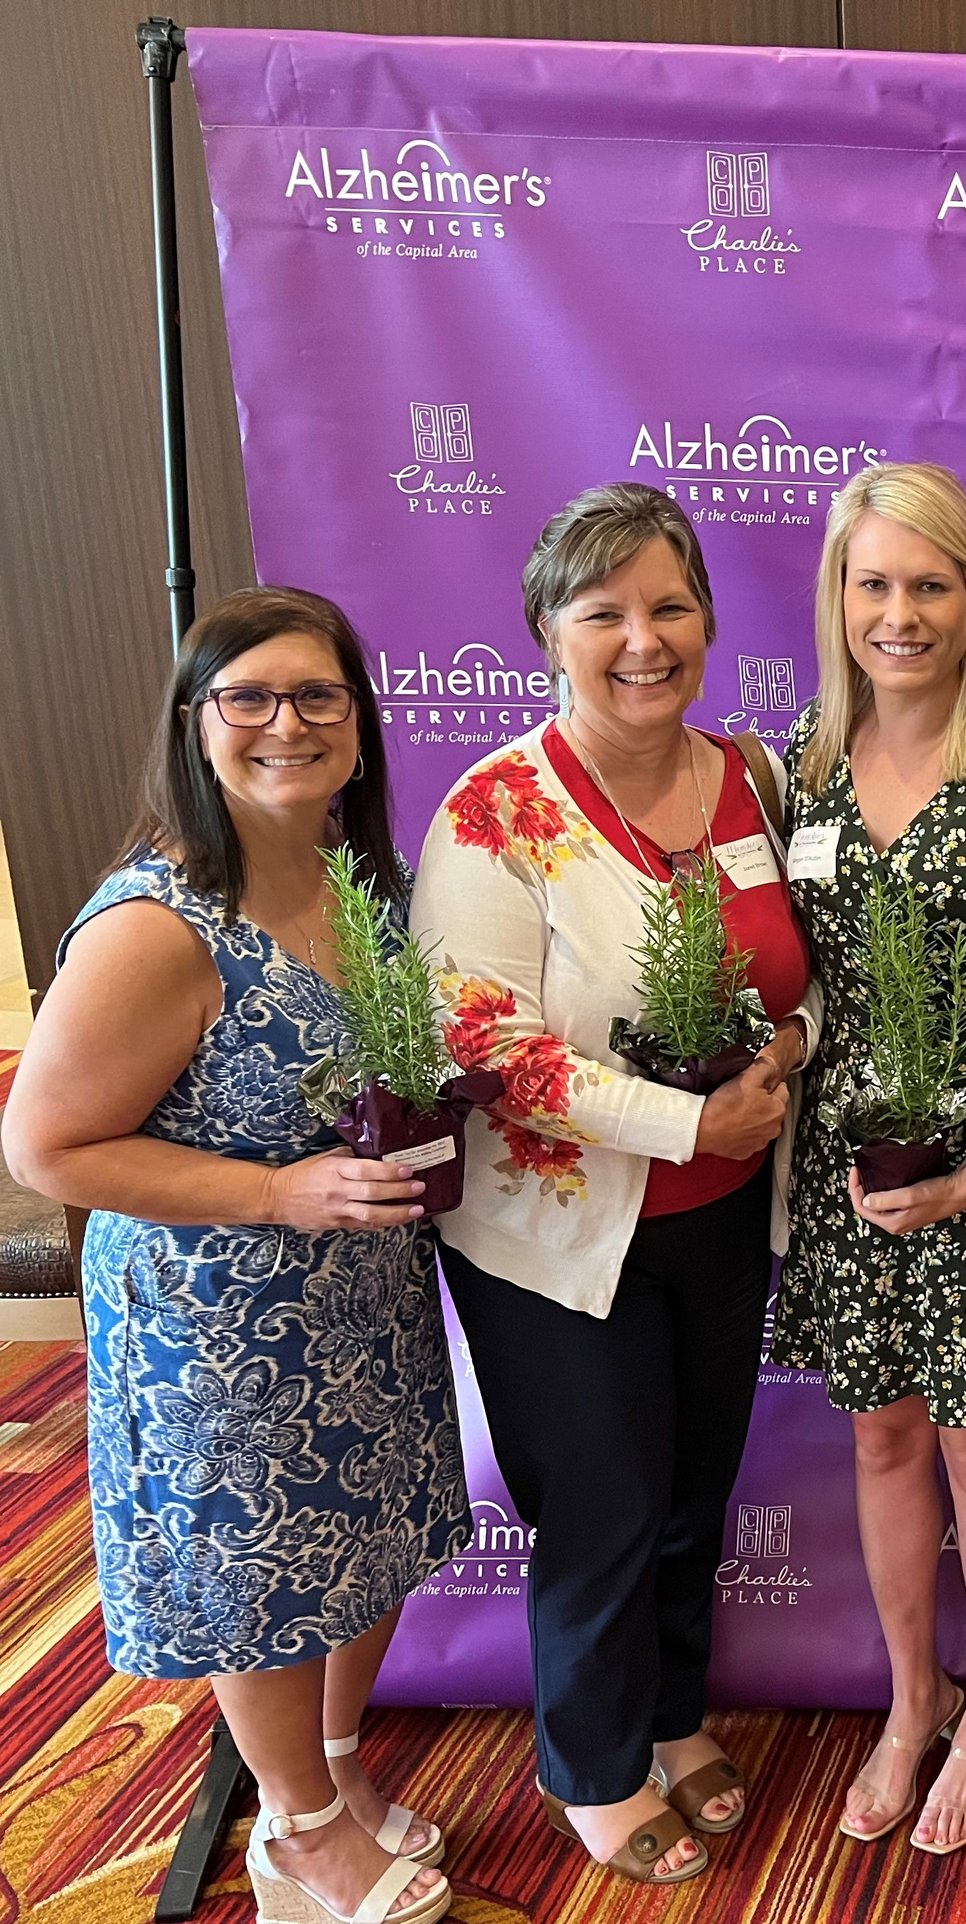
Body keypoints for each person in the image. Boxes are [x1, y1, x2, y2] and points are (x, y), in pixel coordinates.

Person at [2, 588, 467, 1924]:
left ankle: (327, 1765)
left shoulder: (357, 887)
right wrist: (272, 1191)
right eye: (248, 698)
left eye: (318, 696)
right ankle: (297, 1839)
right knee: (261, 1572)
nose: (286, 723)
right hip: (220, 1328)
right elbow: (50, 1148)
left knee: (364, 1546)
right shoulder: (158, 922)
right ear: (193, 726)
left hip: (360, 1299)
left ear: (363, 729)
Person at [410, 483, 817, 1886]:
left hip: (718, 1226)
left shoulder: (749, 779)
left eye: (670, 606)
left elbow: (806, 980)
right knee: (602, 1510)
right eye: (606, 614)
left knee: (696, 1492)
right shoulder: (496, 810)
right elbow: (484, 1041)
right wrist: (686, 1122)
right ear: (546, 632)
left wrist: (792, 1053)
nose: (643, 640)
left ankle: (673, 1712)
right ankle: (592, 1761)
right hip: (556, 1239)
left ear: (708, 618)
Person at [768, 462, 966, 1854]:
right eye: (873, 583)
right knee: (884, 1434)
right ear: (839, 596)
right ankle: (914, 1699)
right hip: (849, 1171)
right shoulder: (804, 762)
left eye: (928, 585)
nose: (898, 613)